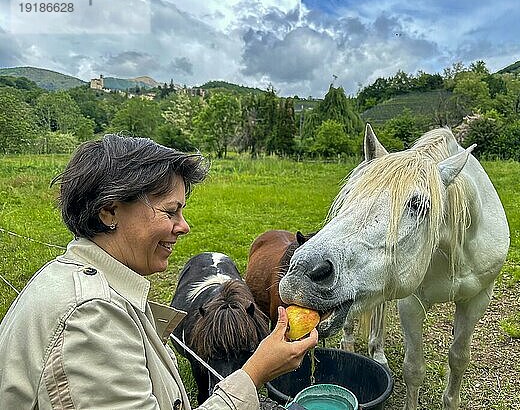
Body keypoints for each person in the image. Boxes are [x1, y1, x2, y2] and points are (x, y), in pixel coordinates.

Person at [0, 134, 318, 409]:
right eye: (170, 211)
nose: (184, 227)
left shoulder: (72, 279)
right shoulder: (91, 320)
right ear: (109, 210)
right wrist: (255, 373)